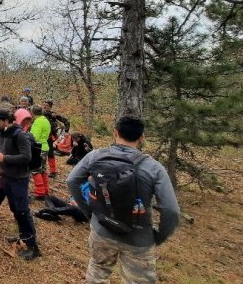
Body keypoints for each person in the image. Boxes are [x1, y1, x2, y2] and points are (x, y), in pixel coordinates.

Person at [66, 116, 180, 284]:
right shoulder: (154, 168)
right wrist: (158, 237)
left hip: (101, 229)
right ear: (142, 137)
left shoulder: (95, 156)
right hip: (138, 237)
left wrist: (91, 215)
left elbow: (72, 180)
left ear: (115, 132)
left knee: (97, 273)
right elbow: (171, 210)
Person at [0, 108, 40, 260]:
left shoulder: (20, 135)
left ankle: (33, 247)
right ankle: (22, 236)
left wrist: (4, 158)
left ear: (6, 120)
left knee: (22, 211)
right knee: (14, 209)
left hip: (19, 178)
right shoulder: (1, 132)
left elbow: (26, 157)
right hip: (6, 176)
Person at [43, 100, 70, 178]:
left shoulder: (53, 115)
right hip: (40, 137)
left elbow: (66, 121)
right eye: (44, 105)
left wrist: (66, 131)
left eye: (46, 106)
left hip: (49, 137)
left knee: (50, 154)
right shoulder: (40, 113)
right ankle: (41, 170)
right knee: (40, 154)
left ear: (50, 107)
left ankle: (53, 171)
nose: (44, 107)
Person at [30, 105, 52, 199]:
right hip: (45, 146)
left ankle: (39, 192)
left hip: (38, 148)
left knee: (35, 170)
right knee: (43, 169)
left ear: (32, 113)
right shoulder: (46, 120)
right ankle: (45, 190)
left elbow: (35, 137)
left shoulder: (38, 121)